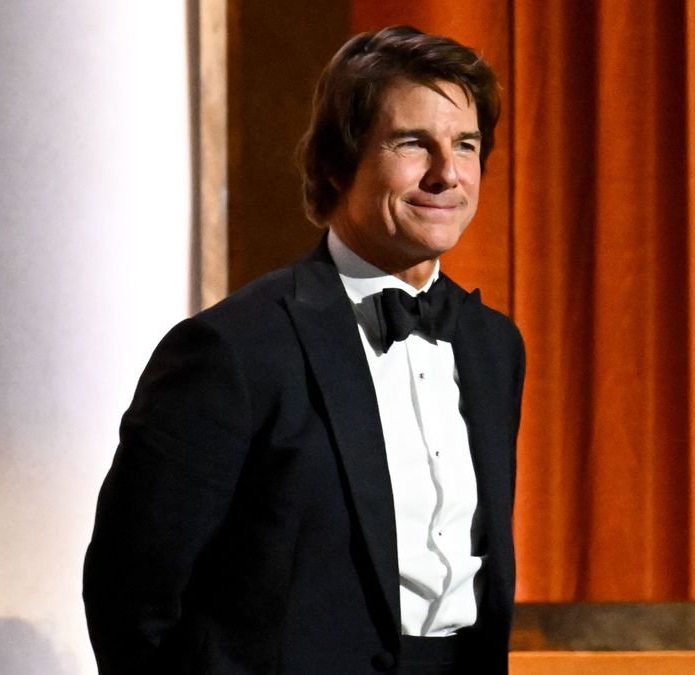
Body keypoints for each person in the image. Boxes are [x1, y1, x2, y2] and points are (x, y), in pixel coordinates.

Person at [83, 25, 525, 675]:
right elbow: (131, 598)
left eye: (466, 145)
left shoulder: (494, 345)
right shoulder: (232, 350)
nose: (447, 173)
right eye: (412, 144)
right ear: (335, 162)